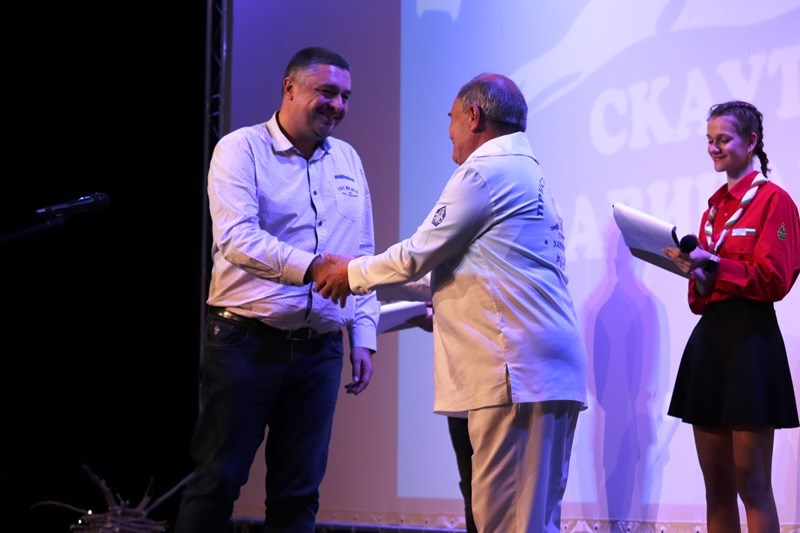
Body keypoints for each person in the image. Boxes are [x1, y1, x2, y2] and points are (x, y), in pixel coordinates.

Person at [312, 73, 588, 532]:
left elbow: (418, 253)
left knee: (503, 522)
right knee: (534, 521)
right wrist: (379, 285)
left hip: (514, 371)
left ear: (473, 116)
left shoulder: (484, 172)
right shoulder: (530, 175)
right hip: (547, 371)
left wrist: (350, 273)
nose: (449, 132)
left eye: (452, 119)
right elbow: (472, 271)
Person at [174, 46, 380, 533]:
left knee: (299, 493)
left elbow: (363, 253)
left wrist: (363, 334)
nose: (338, 105)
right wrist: (312, 268)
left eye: (346, 96)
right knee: (217, 481)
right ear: (290, 88)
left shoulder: (348, 159)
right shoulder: (240, 149)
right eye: (327, 92)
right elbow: (237, 239)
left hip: (319, 349)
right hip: (245, 342)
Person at [663, 100, 799, 533]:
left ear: (751, 141)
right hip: (710, 345)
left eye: (723, 139)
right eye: (709, 140)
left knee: (752, 485)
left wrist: (716, 264)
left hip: (752, 345)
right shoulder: (713, 209)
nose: (714, 148)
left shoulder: (775, 202)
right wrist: (698, 273)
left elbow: (775, 280)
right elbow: (701, 298)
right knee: (716, 488)